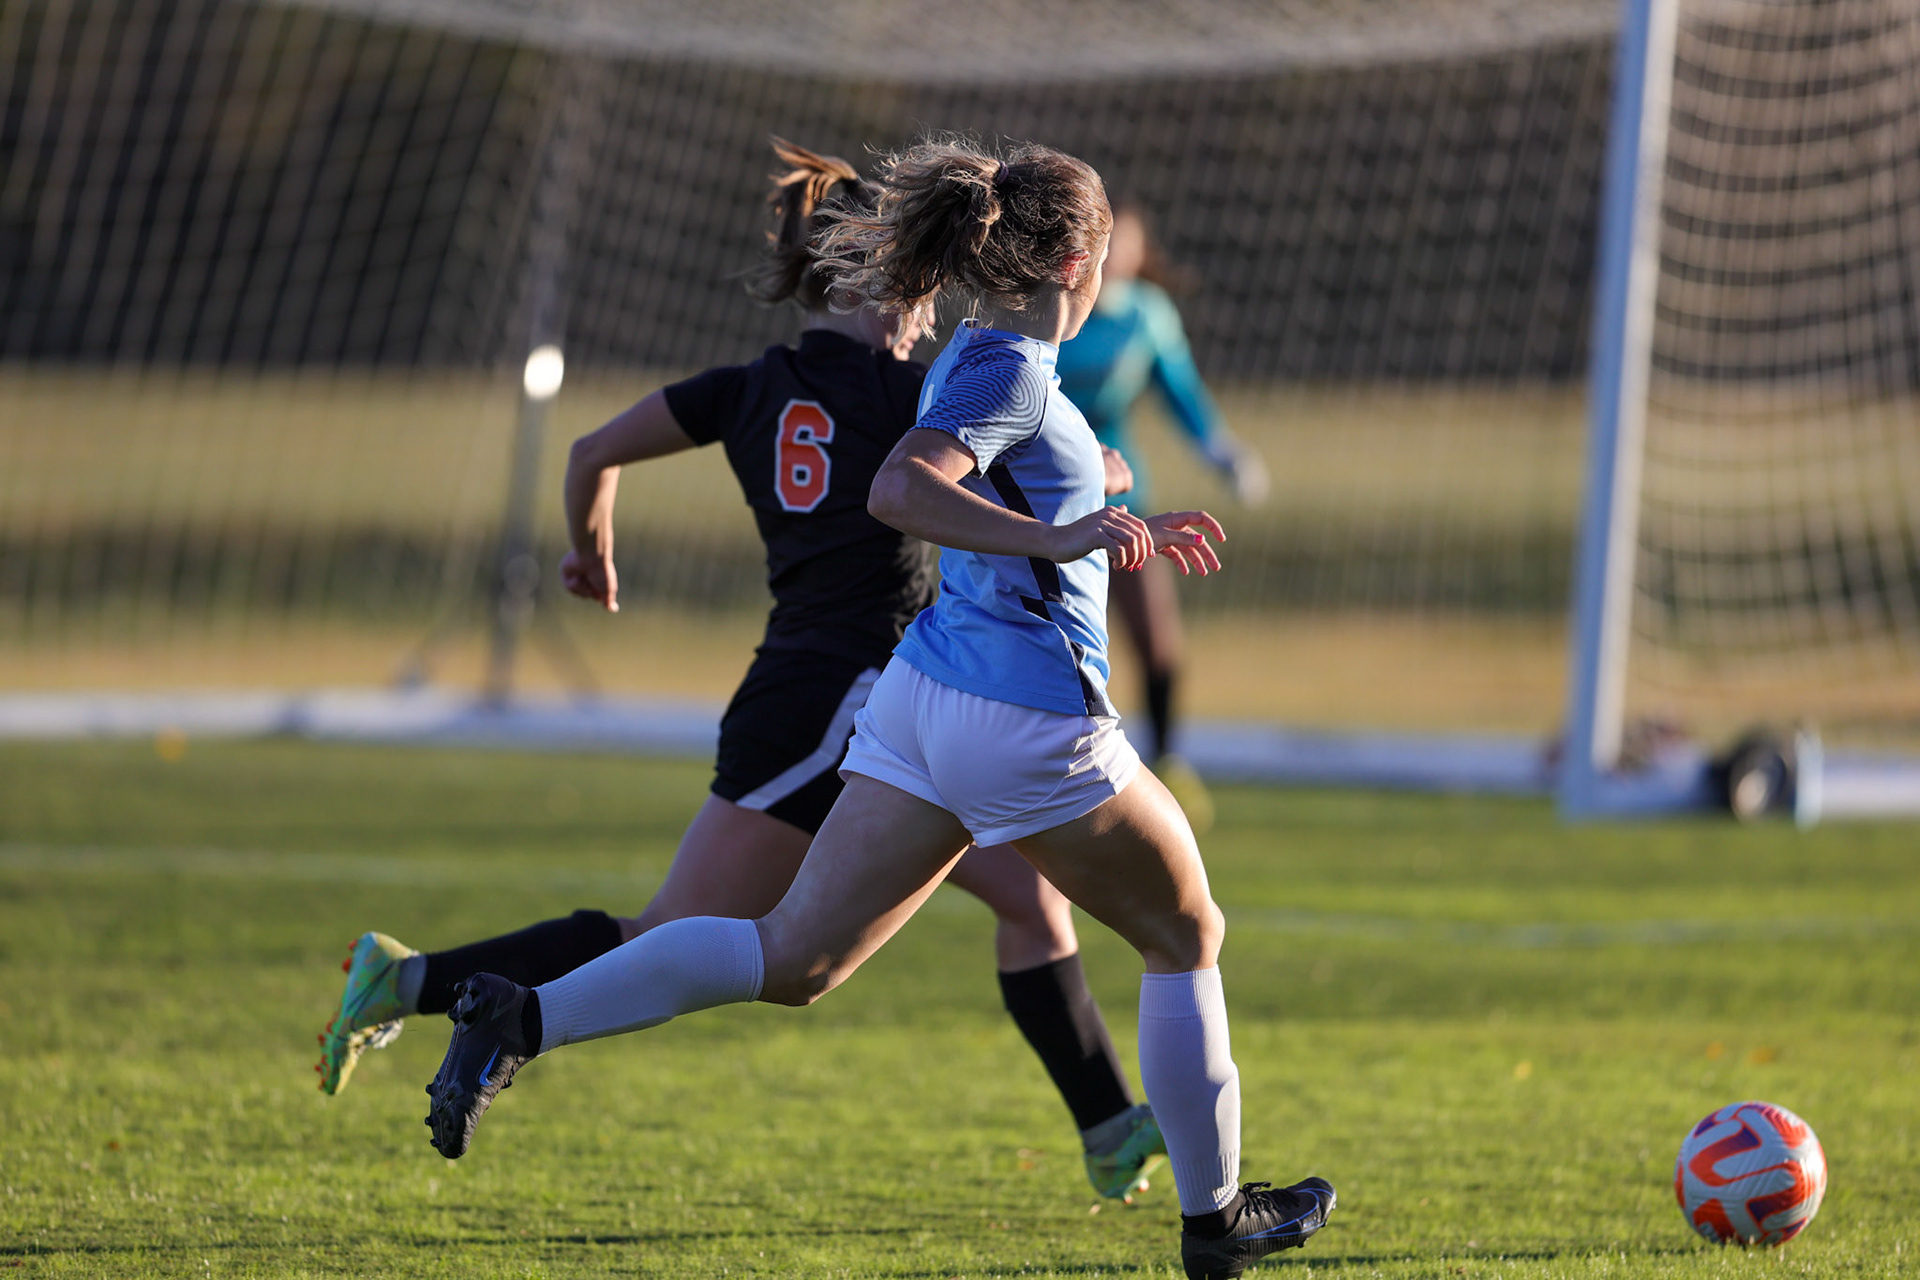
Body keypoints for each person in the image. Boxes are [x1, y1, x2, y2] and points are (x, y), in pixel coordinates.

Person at [421, 138, 1335, 1280]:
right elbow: (902, 485)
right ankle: (1217, 1223)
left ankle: (519, 1017)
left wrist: (1094, 480)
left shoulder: (988, 353)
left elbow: (993, 451)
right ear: (1083, 261)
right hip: (1027, 721)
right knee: (1185, 931)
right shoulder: (1004, 369)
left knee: (793, 954)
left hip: (921, 704)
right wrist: (1061, 531)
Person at [317, 140, 1167, 1203]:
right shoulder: (910, 391)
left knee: (1026, 904)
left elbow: (590, 451)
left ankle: (1109, 1127)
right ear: (881, 277)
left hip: (828, 688)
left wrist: (591, 549)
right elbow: (990, 463)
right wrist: (1101, 479)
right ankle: (439, 989)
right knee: (695, 938)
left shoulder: (747, 386)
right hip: (847, 700)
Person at [1055, 206, 1268, 833]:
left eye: (1126, 242)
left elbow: (1181, 391)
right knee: (1055, 645)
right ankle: (1055, 768)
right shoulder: (1057, 309)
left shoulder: (1148, 316)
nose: (1114, 252)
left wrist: (1221, 450)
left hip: (1124, 503)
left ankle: (1168, 762)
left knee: (1158, 644)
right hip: (1046, 504)